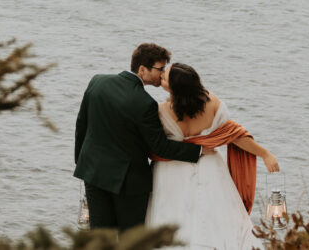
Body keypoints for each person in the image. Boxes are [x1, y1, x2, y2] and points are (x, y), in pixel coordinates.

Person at [74, 43, 208, 233]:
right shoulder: (145, 103)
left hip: (94, 174)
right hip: (128, 184)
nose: (162, 75)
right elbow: (161, 147)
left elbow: (81, 125)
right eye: (160, 69)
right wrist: (200, 150)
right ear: (143, 69)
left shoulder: (97, 81)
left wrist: (82, 163)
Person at [145, 62, 280, 250]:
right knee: (214, 217)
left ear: (175, 88)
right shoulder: (212, 103)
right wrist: (264, 154)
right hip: (209, 166)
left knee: (173, 213)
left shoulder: (161, 111)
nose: (161, 76)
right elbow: (234, 135)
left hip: (171, 170)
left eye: (165, 76)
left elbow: (155, 144)